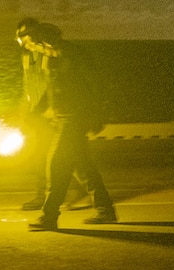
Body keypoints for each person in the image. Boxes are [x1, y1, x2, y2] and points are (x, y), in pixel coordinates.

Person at [26, 23, 117, 231]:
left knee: (57, 163)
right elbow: (51, 88)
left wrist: (97, 114)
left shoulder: (72, 54)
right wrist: (36, 111)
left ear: (44, 40)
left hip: (75, 117)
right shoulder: (49, 58)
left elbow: (95, 84)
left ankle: (49, 216)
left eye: (32, 43)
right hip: (63, 117)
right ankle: (105, 210)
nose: (31, 48)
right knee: (82, 166)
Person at [15, 18, 93, 211]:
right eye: (24, 42)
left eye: (29, 40)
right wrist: (26, 110)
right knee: (60, 157)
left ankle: (51, 208)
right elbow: (30, 85)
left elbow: (65, 84)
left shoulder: (56, 53)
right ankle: (95, 201)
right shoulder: (28, 56)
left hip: (59, 113)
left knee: (56, 159)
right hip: (44, 112)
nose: (28, 45)